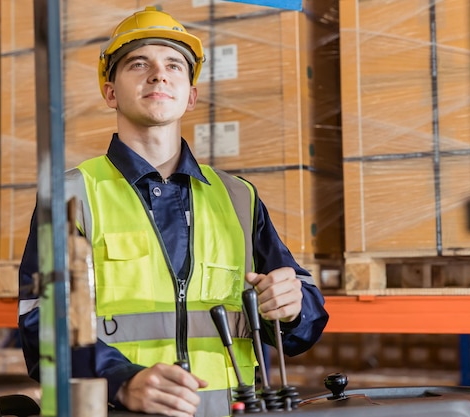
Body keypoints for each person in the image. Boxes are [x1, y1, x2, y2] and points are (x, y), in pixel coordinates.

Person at [18, 6, 329, 417]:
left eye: (174, 66)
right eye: (138, 64)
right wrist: (122, 381)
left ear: (191, 95)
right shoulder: (71, 196)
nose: (159, 74)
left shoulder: (239, 198)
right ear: (110, 92)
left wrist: (291, 307)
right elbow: (41, 325)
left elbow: (305, 318)